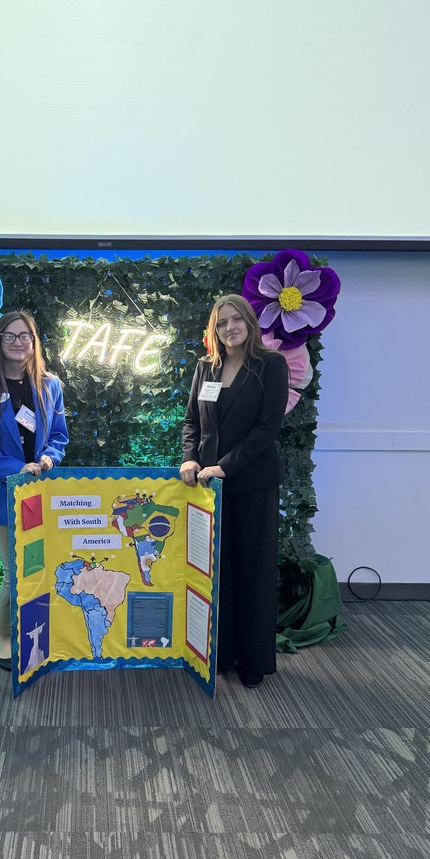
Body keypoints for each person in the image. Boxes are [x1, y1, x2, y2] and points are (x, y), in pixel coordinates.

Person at [180, 294, 288, 687]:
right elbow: (192, 420)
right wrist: (190, 458)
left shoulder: (270, 365)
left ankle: (253, 660)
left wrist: (225, 466)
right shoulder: (205, 368)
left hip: (252, 485)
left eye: (236, 319)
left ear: (249, 322)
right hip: (208, 489)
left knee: (252, 573)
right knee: (215, 574)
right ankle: (221, 654)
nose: (230, 328)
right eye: (222, 322)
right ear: (215, 330)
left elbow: (267, 429)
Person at [0, 311, 69, 670]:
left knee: (39, 566)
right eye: (11, 335)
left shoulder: (50, 384)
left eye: (26, 336)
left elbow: (58, 437)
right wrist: (15, 468)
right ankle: (5, 636)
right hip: (0, 489)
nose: (19, 342)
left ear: (34, 342)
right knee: (15, 568)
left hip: (40, 490)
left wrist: (49, 459)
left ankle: (37, 632)